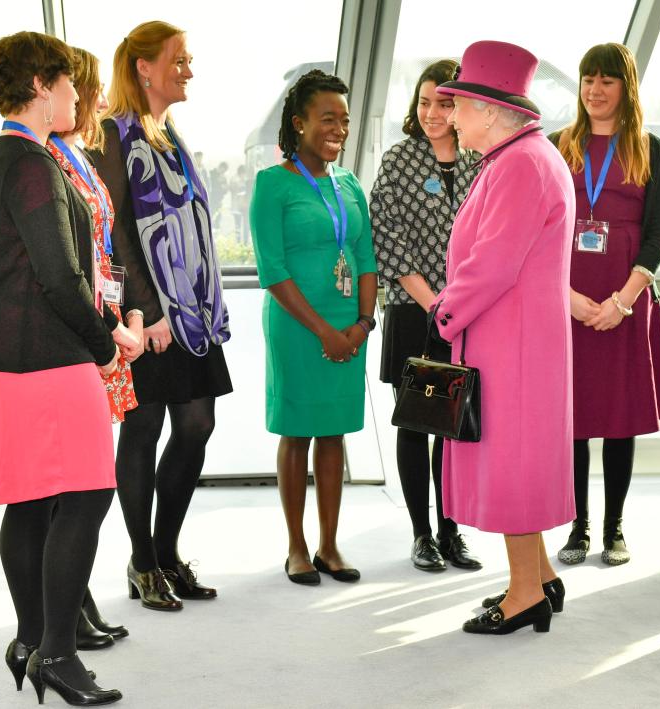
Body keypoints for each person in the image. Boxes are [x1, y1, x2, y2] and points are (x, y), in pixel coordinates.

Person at [0, 31, 129, 704]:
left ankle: (32, 639)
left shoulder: (1, 155)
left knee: (33, 497)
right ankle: (57, 652)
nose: (75, 93)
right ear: (40, 85)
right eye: (66, 81)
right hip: (49, 354)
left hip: (4, 355)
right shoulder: (33, 162)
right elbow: (61, 278)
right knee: (89, 492)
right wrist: (106, 343)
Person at [432, 41, 575, 635]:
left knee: (513, 464)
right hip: (516, 340)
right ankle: (538, 576)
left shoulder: (520, 164)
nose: (449, 115)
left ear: (488, 111)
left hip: (509, 343)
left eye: (458, 105)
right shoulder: (524, 157)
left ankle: (525, 595)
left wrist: (445, 312)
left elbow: (492, 263)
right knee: (519, 457)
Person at [91, 20, 231, 611]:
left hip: (191, 312)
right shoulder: (111, 133)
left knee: (197, 425)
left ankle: (166, 551)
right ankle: (143, 561)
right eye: (179, 59)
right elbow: (116, 230)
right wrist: (145, 311)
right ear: (144, 67)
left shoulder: (166, 130)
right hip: (147, 316)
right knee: (144, 430)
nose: (189, 68)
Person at [249, 69, 377, 585]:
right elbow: (272, 271)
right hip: (298, 326)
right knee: (297, 433)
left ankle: (329, 545)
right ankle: (297, 547)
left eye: (344, 120)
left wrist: (363, 324)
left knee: (334, 434)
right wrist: (325, 331)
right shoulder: (272, 184)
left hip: (349, 324)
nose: (338, 129)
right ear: (298, 123)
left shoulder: (348, 184)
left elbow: (365, 257)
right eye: (328, 119)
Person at [551, 43, 660, 567]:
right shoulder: (561, 145)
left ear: (626, 87)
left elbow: (658, 233)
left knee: (620, 416)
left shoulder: (650, 147)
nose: (595, 90)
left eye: (606, 80)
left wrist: (622, 301)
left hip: (627, 297)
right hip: (570, 296)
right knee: (573, 416)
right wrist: (569, 298)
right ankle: (576, 527)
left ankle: (614, 527)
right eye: (587, 80)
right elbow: (545, 226)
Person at [370, 60, 482, 573]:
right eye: (424, 102)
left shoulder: (482, 160)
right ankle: (422, 535)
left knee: (455, 426)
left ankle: (452, 530)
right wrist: (436, 303)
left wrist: (463, 302)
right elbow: (387, 241)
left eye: (443, 102)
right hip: (416, 314)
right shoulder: (397, 160)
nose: (432, 113)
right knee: (417, 424)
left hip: (471, 313)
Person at [46, 47, 141, 651]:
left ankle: (77, 599)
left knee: (82, 477)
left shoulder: (81, 156)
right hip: (81, 332)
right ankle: (65, 610)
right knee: (73, 483)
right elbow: (68, 266)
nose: (100, 102)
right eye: (91, 90)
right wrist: (110, 328)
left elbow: (107, 249)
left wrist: (129, 313)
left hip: (108, 321)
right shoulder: (49, 160)